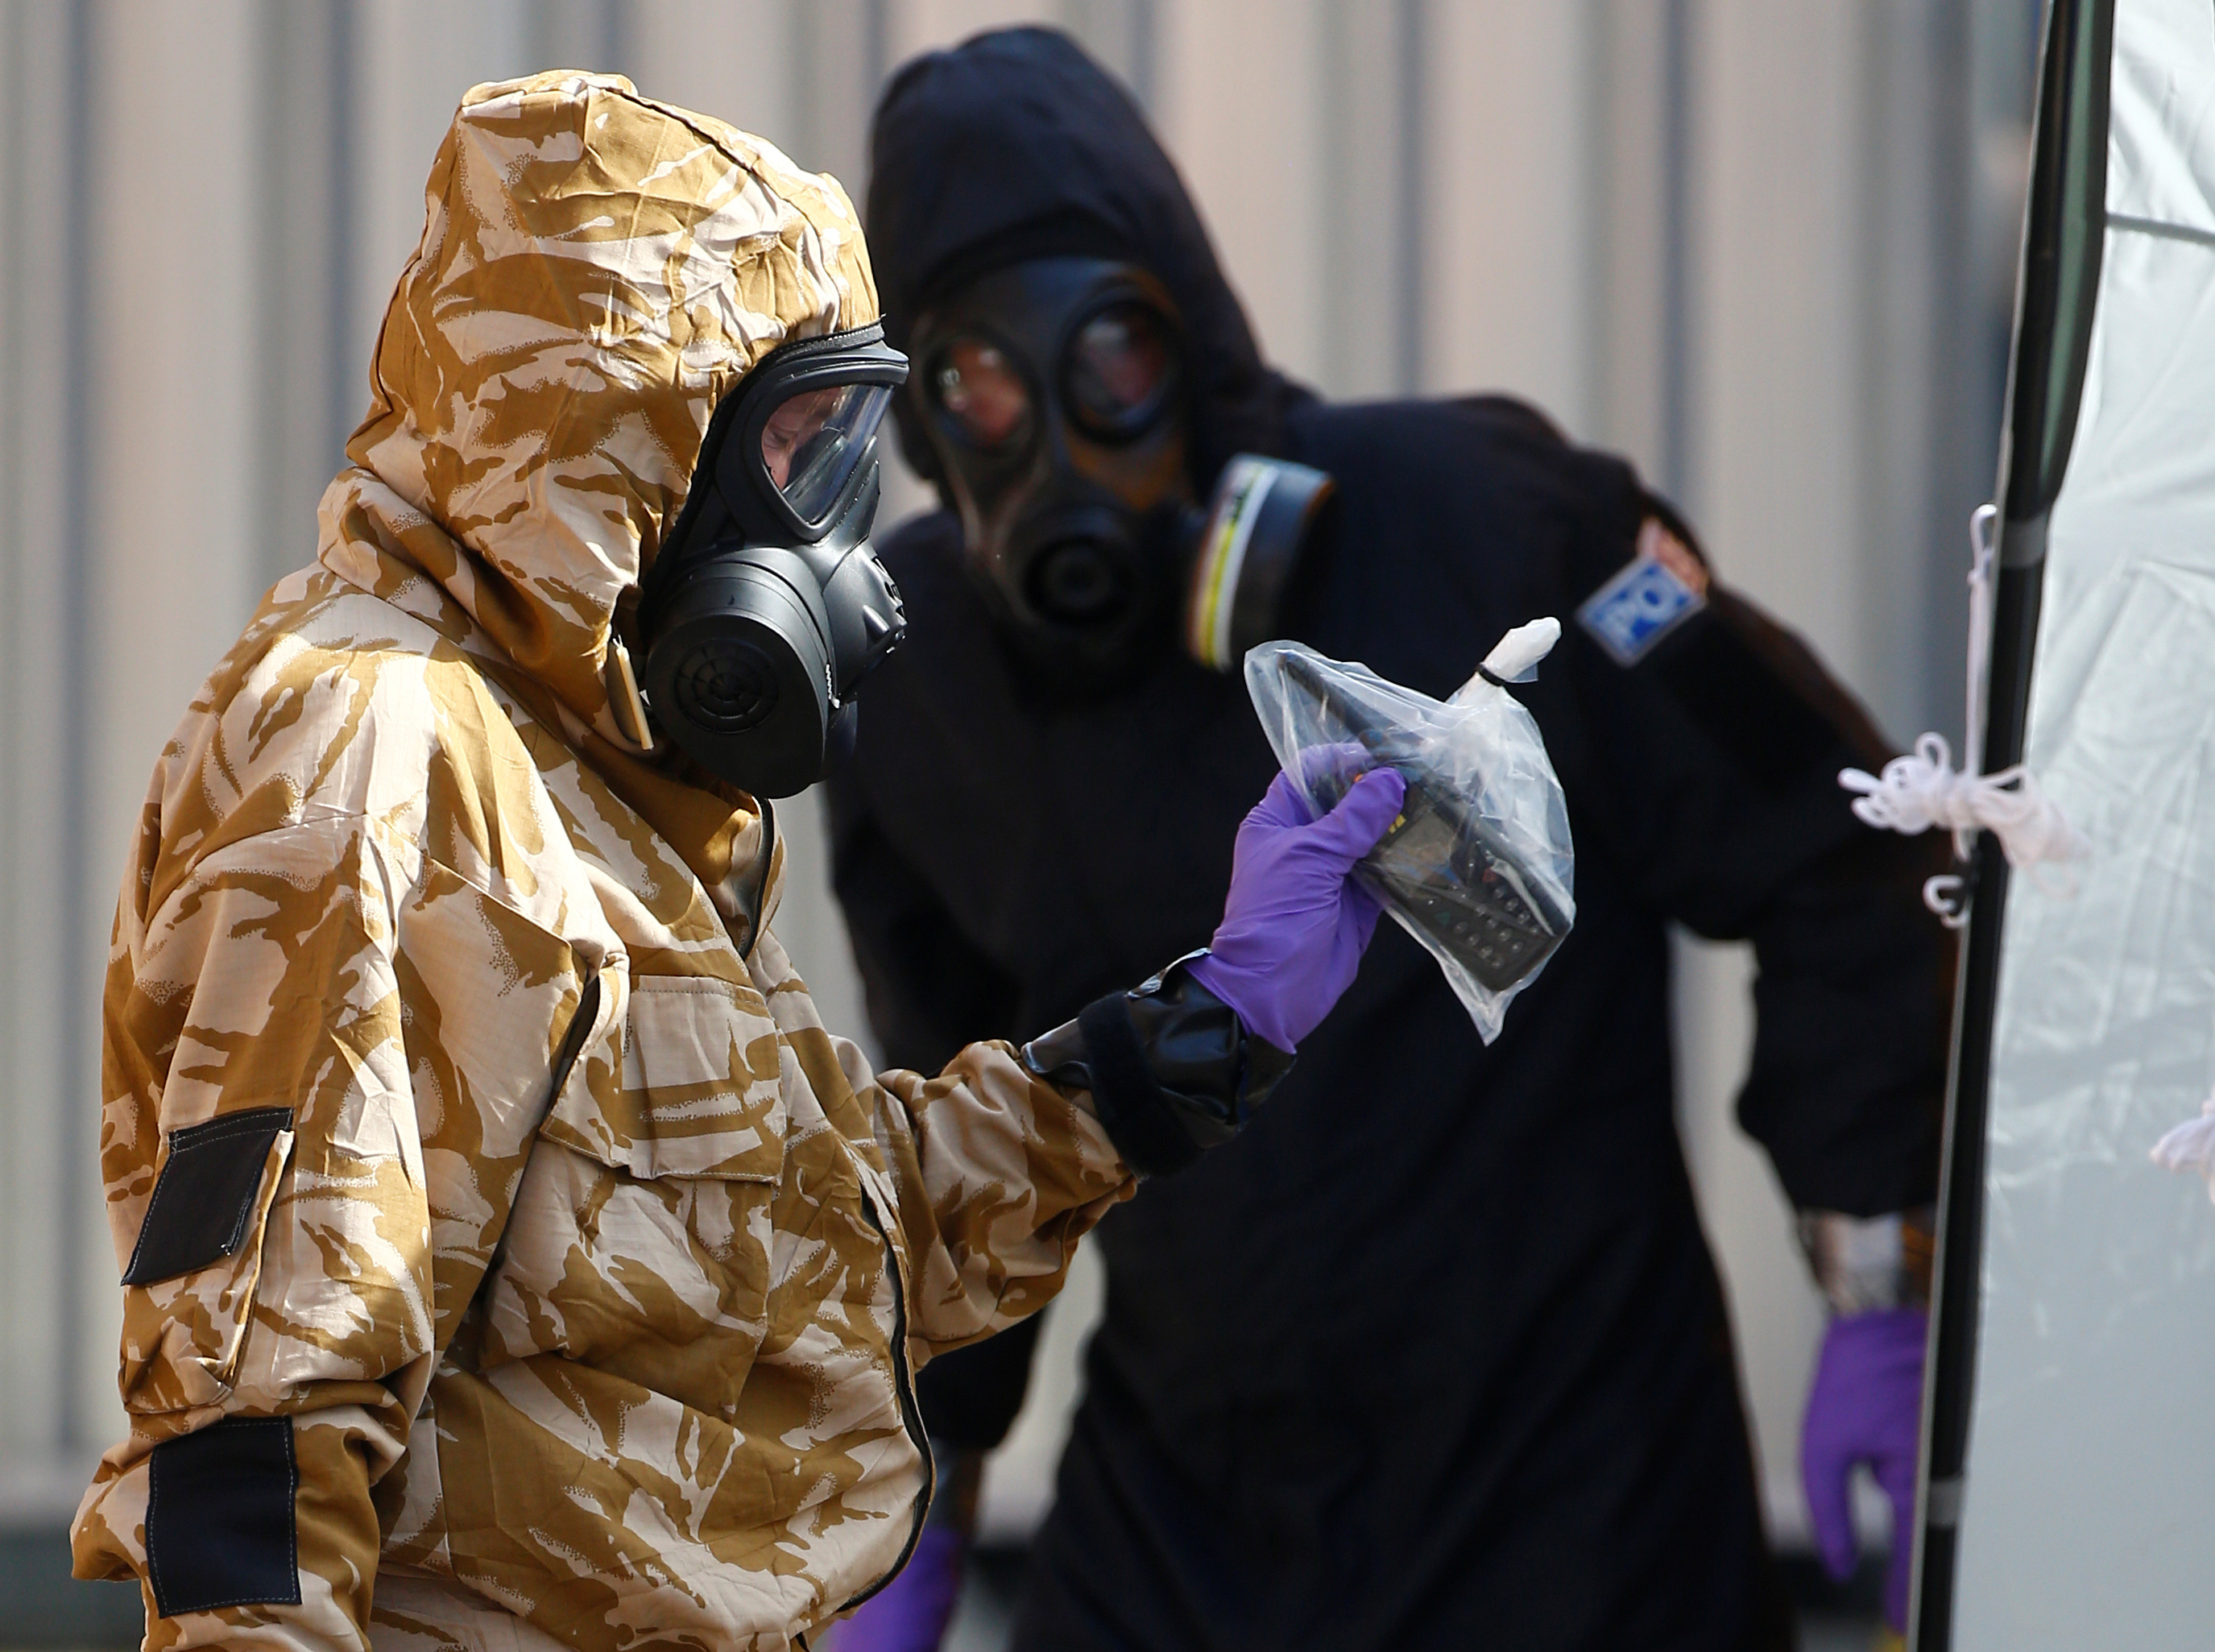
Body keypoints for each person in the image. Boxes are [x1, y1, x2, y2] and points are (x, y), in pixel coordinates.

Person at [68, 72, 1399, 1652]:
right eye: (803, 447)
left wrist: (1194, 1035)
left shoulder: (598, 789)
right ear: (611, 434)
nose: (850, 542)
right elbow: (254, 1428)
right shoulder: (373, 757)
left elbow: (829, 1248)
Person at [825, 27, 1950, 1652]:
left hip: (1578, 1531)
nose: (1052, 435)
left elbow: (1835, 847)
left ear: (1196, 344)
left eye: (1109, 358)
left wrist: (1881, 1278)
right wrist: (918, 1487)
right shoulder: (918, 684)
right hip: (1183, 1549)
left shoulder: (1500, 525)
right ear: (924, 424)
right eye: (977, 383)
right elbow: (957, 1133)